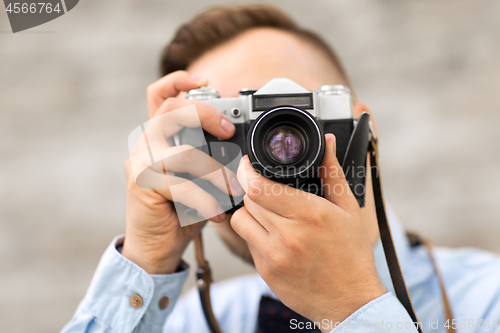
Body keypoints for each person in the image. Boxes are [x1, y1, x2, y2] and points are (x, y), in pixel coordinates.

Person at [62, 5, 500, 333]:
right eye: (234, 132)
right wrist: (147, 259)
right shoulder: (191, 321)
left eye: (294, 119)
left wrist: (351, 307)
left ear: (363, 132)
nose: (273, 154)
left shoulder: (487, 300)